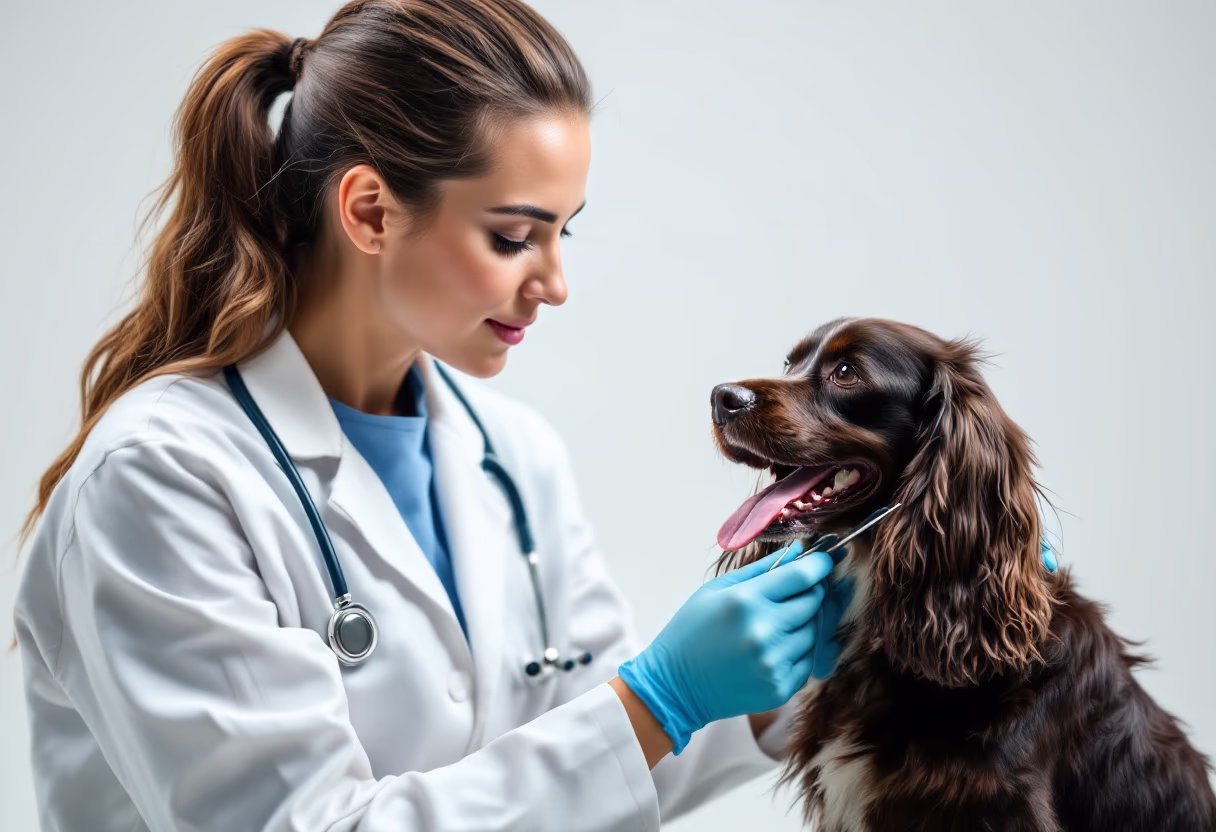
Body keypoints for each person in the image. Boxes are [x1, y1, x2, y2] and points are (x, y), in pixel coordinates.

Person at [12, 2, 1054, 831]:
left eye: (565, 233)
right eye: (516, 236)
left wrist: (801, 668)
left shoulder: (510, 459)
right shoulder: (160, 478)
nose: (554, 283)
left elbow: (595, 774)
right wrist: (654, 699)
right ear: (370, 210)